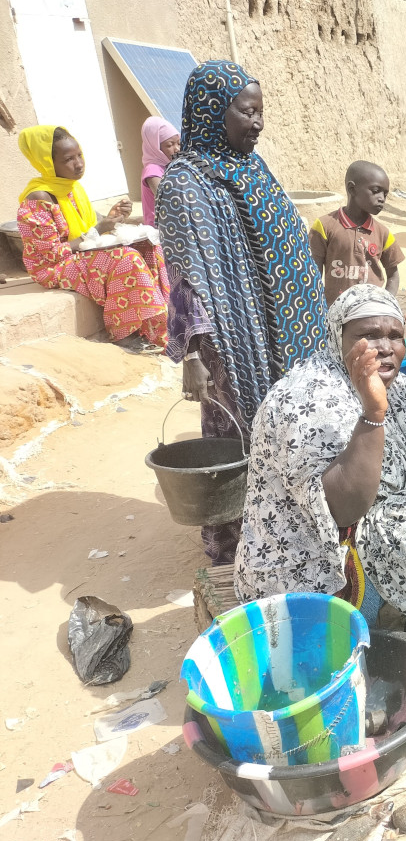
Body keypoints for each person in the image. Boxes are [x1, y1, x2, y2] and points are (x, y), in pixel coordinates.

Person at [156, 60, 327, 565]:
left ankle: (298, 528)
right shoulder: (185, 185)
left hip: (290, 338)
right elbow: (186, 278)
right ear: (213, 112)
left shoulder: (250, 167)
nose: (257, 123)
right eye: (246, 111)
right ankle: (243, 547)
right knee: (242, 438)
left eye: (260, 112)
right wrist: (194, 355)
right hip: (236, 341)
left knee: (297, 430)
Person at [235, 285, 406, 624]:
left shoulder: (394, 385)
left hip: (362, 515)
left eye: (395, 336)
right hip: (310, 557)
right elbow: (340, 510)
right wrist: (373, 413)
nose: (385, 347)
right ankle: (378, 616)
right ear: (337, 337)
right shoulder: (304, 398)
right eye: (368, 335)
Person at [16, 125, 169, 353]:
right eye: (68, 159)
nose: (78, 163)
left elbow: (88, 231)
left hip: (78, 255)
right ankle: (124, 333)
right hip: (53, 266)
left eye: (79, 155)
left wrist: (111, 220)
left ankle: (158, 326)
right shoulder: (38, 199)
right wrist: (98, 229)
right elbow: (51, 254)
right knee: (125, 258)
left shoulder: (72, 189)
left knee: (148, 247)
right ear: (47, 162)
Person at [310, 161, 404, 305]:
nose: (382, 198)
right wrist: (317, 305)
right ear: (352, 189)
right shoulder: (324, 226)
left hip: (370, 312)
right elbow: (313, 272)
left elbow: (393, 274)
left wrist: (386, 303)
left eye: (385, 194)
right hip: (334, 311)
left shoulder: (383, 233)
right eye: (375, 191)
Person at [140, 116, 180, 227]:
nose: (177, 148)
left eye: (178, 143)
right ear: (155, 147)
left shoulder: (170, 166)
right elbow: (167, 199)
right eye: (169, 145)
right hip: (159, 231)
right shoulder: (152, 171)